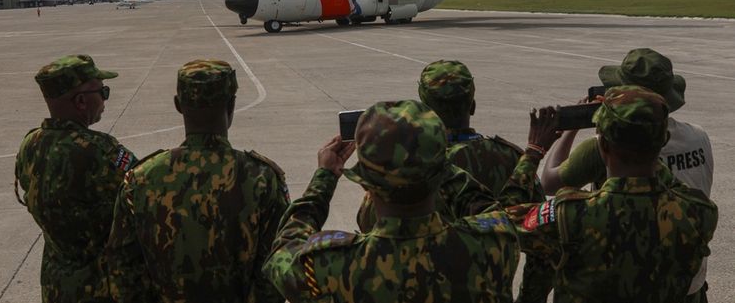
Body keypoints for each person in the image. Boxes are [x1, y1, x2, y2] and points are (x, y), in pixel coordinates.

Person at [265, 100, 520, 302]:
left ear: (365, 183)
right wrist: (434, 162)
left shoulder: (329, 265)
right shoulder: (495, 245)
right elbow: (487, 208)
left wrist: (324, 177)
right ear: (442, 173)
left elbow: (283, 251)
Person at [355, 60, 552, 303]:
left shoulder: (411, 169)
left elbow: (369, 225)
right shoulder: (511, 158)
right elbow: (542, 240)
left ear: (425, 112)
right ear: (472, 105)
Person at [508, 86, 718, 302]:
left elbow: (500, 222)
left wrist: (533, 152)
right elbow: (666, 182)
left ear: (603, 145)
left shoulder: (569, 215)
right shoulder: (699, 212)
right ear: (662, 141)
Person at [106, 60, 289, 303]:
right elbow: (276, 271)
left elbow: (122, 273)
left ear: (178, 105)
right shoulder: (262, 178)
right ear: (232, 104)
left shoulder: (141, 180)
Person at [15, 54, 138, 302]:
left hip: (56, 286)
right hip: (100, 288)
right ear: (81, 101)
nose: (105, 99)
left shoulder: (31, 144)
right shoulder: (101, 150)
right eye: (102, 92)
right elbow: (143, 193)